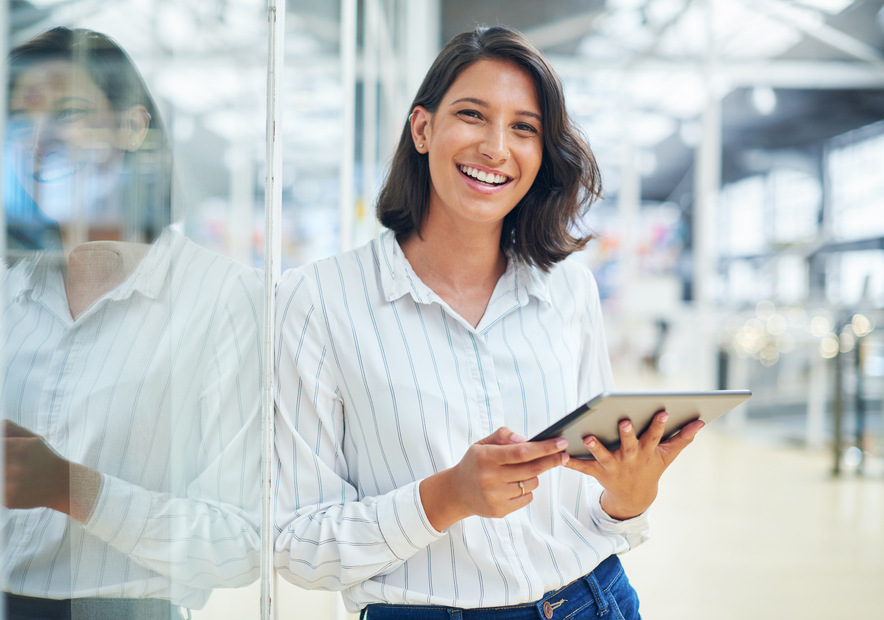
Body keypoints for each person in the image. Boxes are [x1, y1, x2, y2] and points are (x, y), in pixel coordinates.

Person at [273, 25, 703, 620]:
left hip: (593, 600)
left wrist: (630, 497)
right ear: (422, 129)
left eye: (524, 127)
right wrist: (445, 497)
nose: (497, 148)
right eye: (473, 115)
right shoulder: (315, 302)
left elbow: (591, 502)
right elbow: (296, 542)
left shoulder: (568, 288)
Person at [0, 27, 262, 620]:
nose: (40, 141)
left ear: (131, 126)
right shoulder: (0, 293)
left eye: (68, 113)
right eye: (21, 121)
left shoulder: (222, 299)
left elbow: (240, 542)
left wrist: (71, 488)